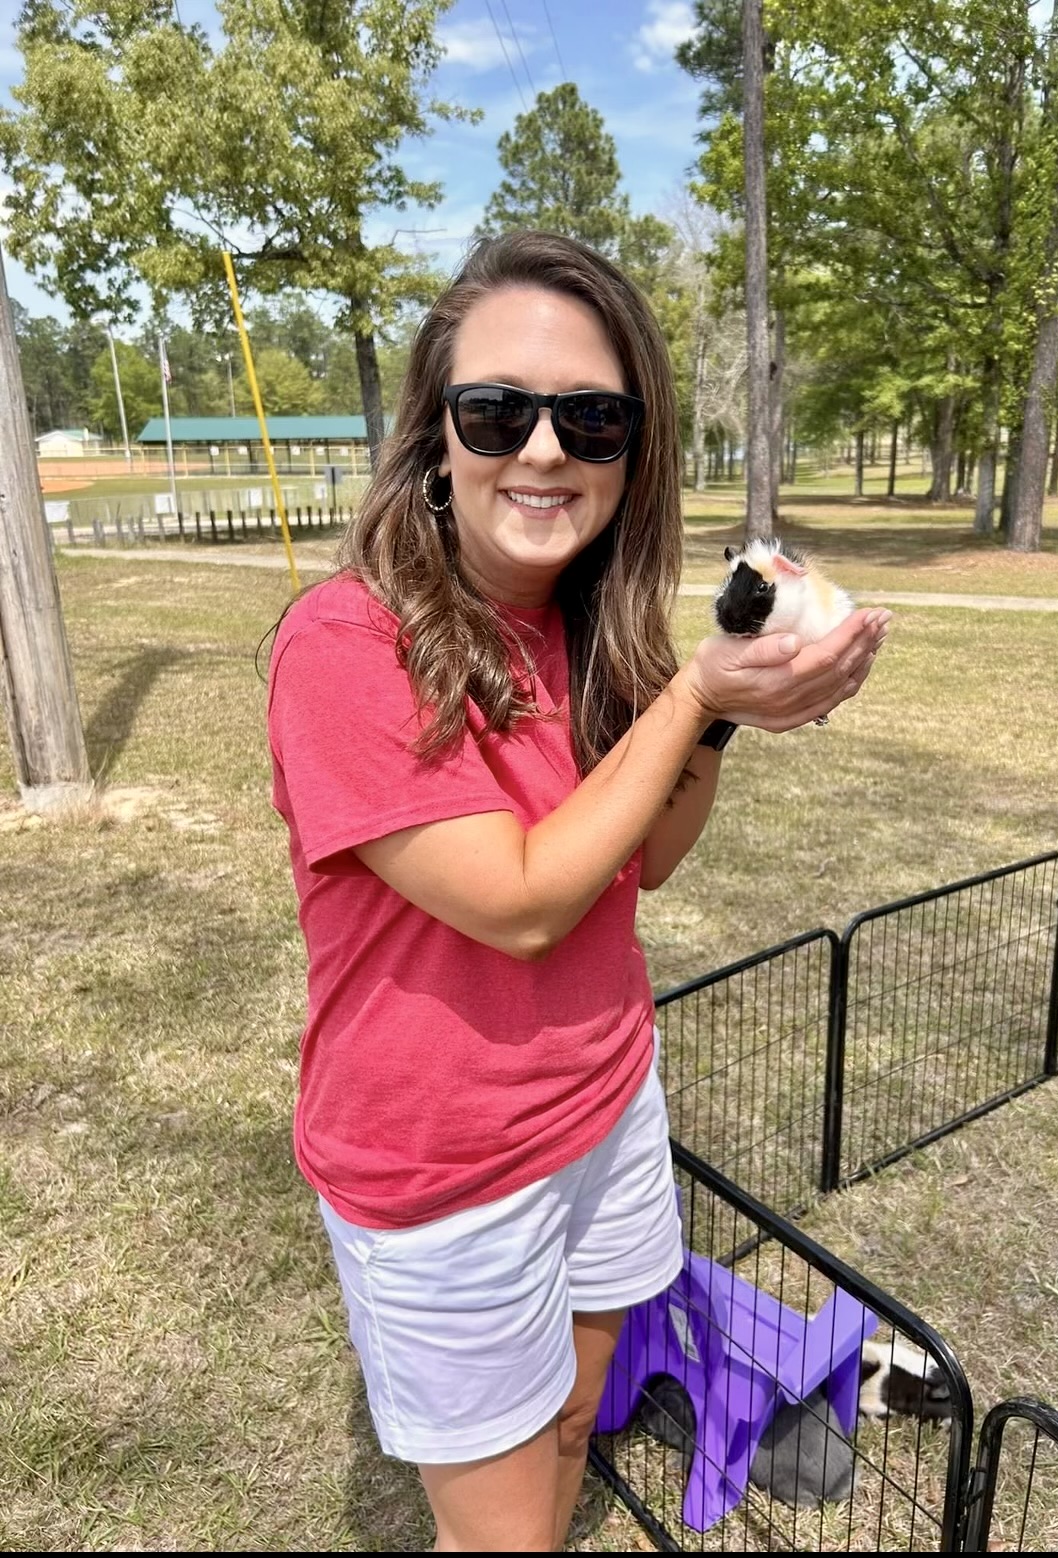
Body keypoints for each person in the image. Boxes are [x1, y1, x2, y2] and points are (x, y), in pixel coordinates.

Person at [266, 230, 889, 1552]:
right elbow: (524, 898)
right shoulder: (342, 643)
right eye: (497, 410)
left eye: (590, 418)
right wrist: (698, 695)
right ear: (436, 430)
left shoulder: (586, 622)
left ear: (632, 449)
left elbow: (643, 860)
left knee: (569, 1426)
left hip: (604, 1107)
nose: (542, 449)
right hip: (442, 1172)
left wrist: (713, 712)